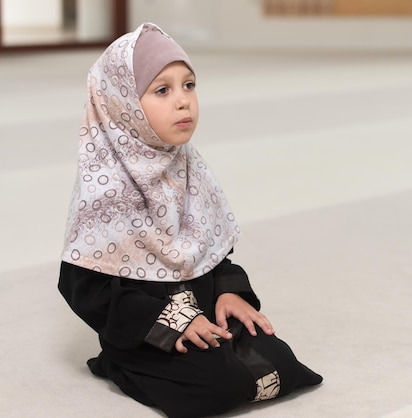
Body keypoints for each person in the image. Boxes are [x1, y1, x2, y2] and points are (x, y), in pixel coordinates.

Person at [58, 22, 322, 418]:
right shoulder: (106, 186)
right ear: (122, 103)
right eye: (162, 90)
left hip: (204, 314)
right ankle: (117, 366)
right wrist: (171, 320)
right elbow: (84, 285)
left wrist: (231, 294)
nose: (183, 101)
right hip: (144, 333)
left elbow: (213, 256)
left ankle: (218, 352)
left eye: (189, 85)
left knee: (277, 357)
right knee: (219, 388)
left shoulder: (188, 170)